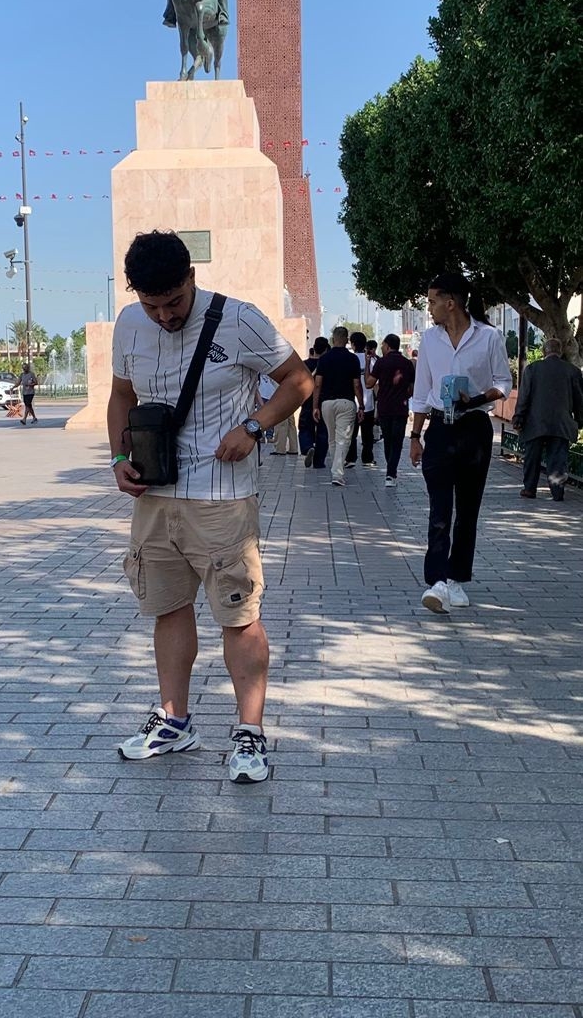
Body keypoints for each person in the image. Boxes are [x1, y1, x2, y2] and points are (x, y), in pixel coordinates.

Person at [107, 230, 312, 783]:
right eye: (151, 305)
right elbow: (121, 396)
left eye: (174, 302)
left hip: (223, 497)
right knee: (168, 608)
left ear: (192, 278)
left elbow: (298, 381)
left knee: (239, 616)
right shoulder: (129, 324)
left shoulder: (239, 320)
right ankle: (175, 721)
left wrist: (255, 426)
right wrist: (119, 457)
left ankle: (249, 732)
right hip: (156, 494)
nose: (164, 316)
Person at [410, 273, 511, 614]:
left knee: (467, 510)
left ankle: (456, 579)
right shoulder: (429, 340)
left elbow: (503, 382)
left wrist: (476, 399)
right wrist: (415, 436)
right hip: (440, 428)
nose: (429, 308)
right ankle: (437, 581)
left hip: (474, 428)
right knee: (439, 508)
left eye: (432, 301)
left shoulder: (489, 337)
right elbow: (421, 391)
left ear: (450, 302)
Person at [513, 338, 583, 502]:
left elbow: (524, 397)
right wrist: (580, 420)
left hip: (535, 423)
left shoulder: (532, 369)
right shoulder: (573, 371)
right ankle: (557, 492)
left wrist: (519, 417)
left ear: (544, 351)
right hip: (561, 423)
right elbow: (579, 399)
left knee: (532, 457)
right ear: (560, 351)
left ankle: (529, 489)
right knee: (558, 459)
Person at [313, 326, 365, 486]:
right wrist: (361, 405)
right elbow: (357, 385)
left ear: (333, 339)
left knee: (332, 439)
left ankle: (336, 470)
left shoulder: (324, 359)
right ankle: (337, 473)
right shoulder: (352, 359)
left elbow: (317, 384)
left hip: (327, 403)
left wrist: (315, 406)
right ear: (347, 340)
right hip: (346, 402)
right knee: (343, 439)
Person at [365, 334, 415, 486]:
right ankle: (391, 473)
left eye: (382, 345)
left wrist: (367, 364)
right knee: (397, 441)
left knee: (388, 440)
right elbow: (411, 389)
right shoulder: (407, 363)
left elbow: (368, 383)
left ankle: (390, 471)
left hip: (385, 407)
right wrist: (403, 395)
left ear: (387, 346)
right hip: (401, 407)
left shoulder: (382, 362)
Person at [345, 332, 376, 468]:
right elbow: (376, 383)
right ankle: (367, 458)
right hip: (368, 403)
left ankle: (350, 458)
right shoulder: (372, 360)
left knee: (351, 433)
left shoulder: (349, 359)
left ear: (352, 344)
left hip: (352, 402)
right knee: (368, 433)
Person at [299, 336, 329, 469]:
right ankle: (319, 461)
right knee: (323, 431)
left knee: (305, 427)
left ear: (314, 348)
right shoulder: (327, 363)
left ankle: (307, 447)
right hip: (323, 399)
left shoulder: (304, 364)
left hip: (307, 399)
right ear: (326, 349)